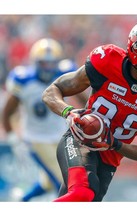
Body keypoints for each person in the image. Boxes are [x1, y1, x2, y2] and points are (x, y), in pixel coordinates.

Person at [42, 19, 137, 202]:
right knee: (83, 193)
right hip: (81, 139)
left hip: (110, 157)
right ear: (135, 49)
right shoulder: (107, 60)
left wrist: (114, 144)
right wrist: (68, 112)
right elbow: (51, 92)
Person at [2, 38, 85, 201]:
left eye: (51, 63)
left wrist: (91, 112)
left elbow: (83, 97)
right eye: (43, 63)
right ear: (35, 62)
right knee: (66, 183)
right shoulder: (23, 80)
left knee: (49, 182)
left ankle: (22, 200)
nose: (47, 68)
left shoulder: (64, 74)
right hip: (36, 139)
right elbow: (7, 112)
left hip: (62, 136)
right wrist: (13, 138)